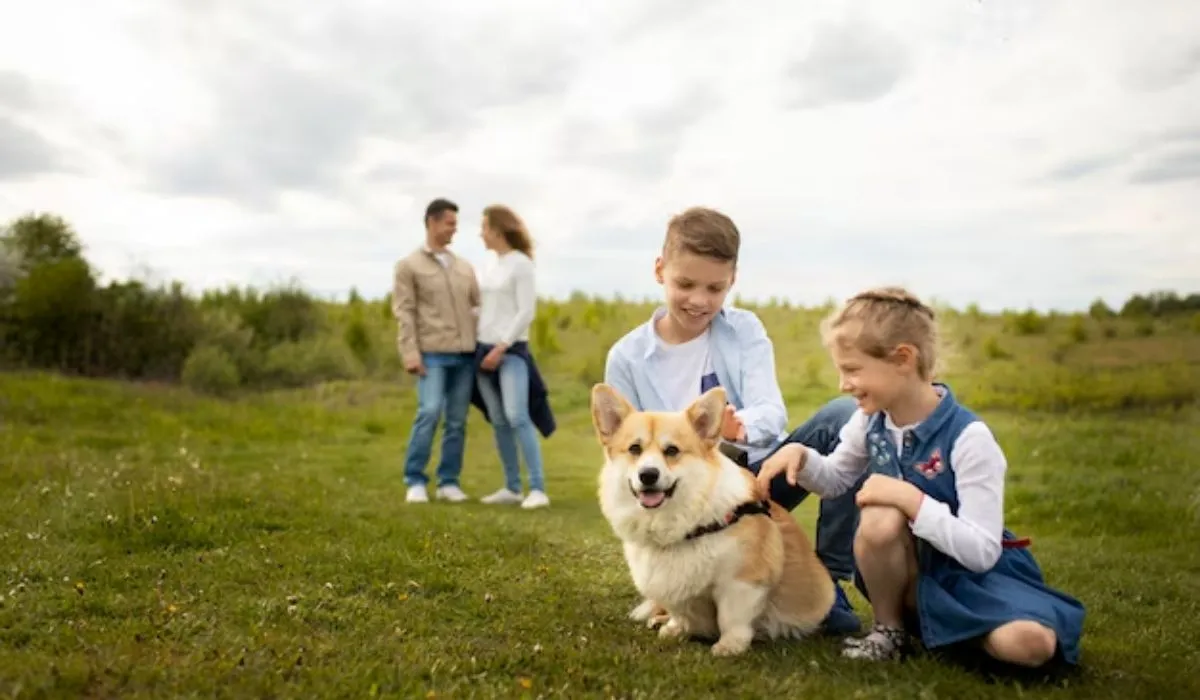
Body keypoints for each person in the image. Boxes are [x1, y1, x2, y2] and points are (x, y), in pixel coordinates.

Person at [755, 287, 1086, 670]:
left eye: (852, 369)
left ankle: (952, 631)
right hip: (906, 577)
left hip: (976, 581)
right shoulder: (870, 421)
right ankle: (890, 630)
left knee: (1029, 646)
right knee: (880, 514)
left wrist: (910, 499)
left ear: (903, 359)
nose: (843, 385)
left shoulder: (970, 439)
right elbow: (836, 479)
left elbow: (982, 552)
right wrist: (804, 457)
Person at [603, 206, 863, 636]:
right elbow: (627, 457)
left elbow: (771, 410)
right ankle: (680, 594)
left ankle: (827, 575)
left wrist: (738, 427)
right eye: (685, 284)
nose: (700, 300)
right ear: (659, 270)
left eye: (715, 288)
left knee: (845, 416)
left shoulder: (745, 330)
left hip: (760, 476)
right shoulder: (627, 358)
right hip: (692, 490)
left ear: (732, 281)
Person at [392, 197, 481, 504]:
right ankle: (415, 480)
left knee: (456, 421)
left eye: (456, 224)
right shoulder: (408, 266)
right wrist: (410, 352)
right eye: (450, 223)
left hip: (465, 355)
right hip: (431, 354)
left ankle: (448, 481)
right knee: (429, 413)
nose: (454, 230)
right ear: (432, 221)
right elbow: (404, 312)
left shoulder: (464, 267)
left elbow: (477, 307)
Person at [469, 204, 557, 509]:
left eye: (483, 227)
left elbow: (525, 311)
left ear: (497, 229)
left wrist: (502, 346)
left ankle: (538, 489)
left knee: (518, 415)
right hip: (481, 352)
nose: (480, 233)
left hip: (510, 353)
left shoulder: (521, 265)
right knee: (498, 420)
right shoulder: (489, 265)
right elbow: (485, 309)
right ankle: (511, 487)